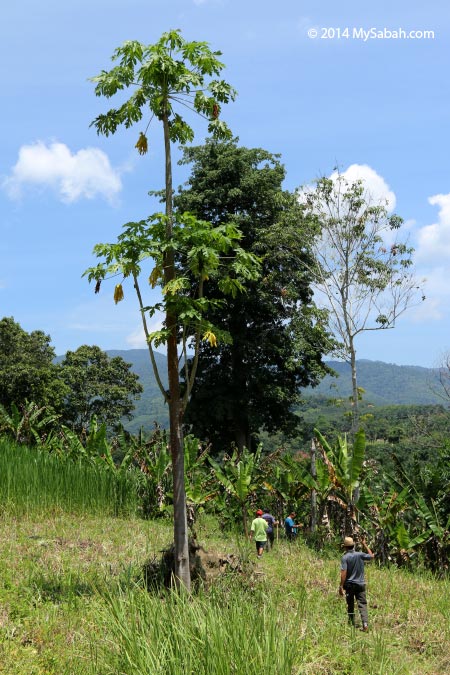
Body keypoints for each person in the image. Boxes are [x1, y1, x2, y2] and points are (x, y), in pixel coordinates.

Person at [339, 536, 374, 631]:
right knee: (362, 604)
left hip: (350, 585)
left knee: (350, 604)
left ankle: (351, 623)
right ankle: (365, 624)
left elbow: (343, 573)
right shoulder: (360, 555)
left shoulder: (345, 557)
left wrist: (341, 586)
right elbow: (371, 556)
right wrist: (364, 544)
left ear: (345, 547)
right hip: (361, 584)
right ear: (353, 546)